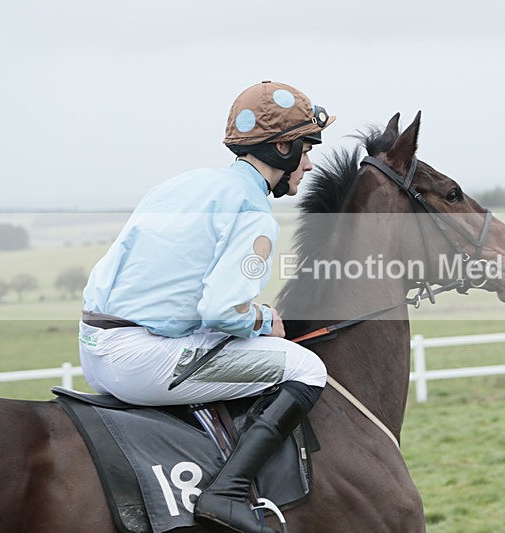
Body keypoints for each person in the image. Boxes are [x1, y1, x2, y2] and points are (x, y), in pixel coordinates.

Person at [79, 80, 334, 533]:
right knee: (306, 368)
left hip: (96, 346)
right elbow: (222, 311)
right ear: (281, 148)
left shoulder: (187, 183)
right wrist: (264, 319)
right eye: (307, 148)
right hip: (142, 360)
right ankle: (227, 492)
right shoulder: (254, 211)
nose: (310, 164)